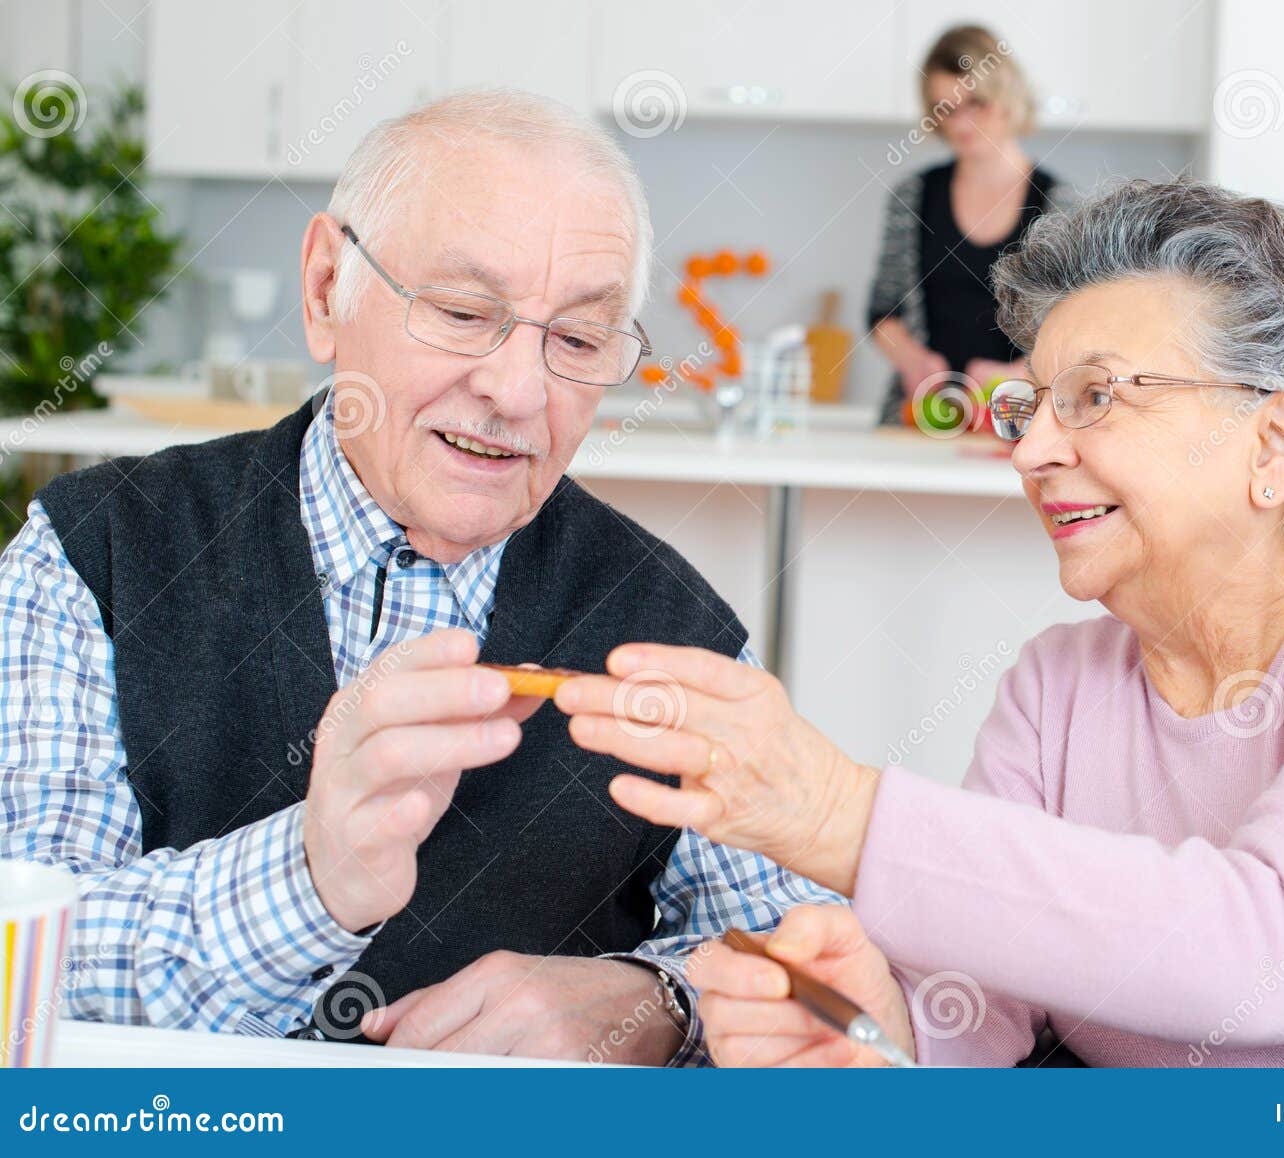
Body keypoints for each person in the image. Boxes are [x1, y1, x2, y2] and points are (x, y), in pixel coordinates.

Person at [555, 180, 1284, 1066]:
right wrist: (863, 1021)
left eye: (1096, 397)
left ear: (1274, 441)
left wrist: (842, 815)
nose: (1031, 450)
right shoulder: (1059, 688)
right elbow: (972, 1008)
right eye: (1031, 404)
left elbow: (1265, 958)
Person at [0, 89, 836, 1065]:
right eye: (463, 312)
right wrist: (312, 877)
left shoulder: (673, 633)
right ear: (325, 290)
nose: (518, 391)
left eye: (574, 340)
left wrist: (655, 1005)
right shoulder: (95, 551)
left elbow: (810, 976)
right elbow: (21, 960)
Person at [868, 24, 1062, 425]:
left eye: (976, 103)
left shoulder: (1061, 205)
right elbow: (883, 310)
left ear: (1007, 98)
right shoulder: (912, 196)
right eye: (946, 108)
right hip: (920, 418)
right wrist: (912, 361)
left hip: (1017, 421)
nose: (961, 124)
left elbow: (1079, 324)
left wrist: (1019, 374)